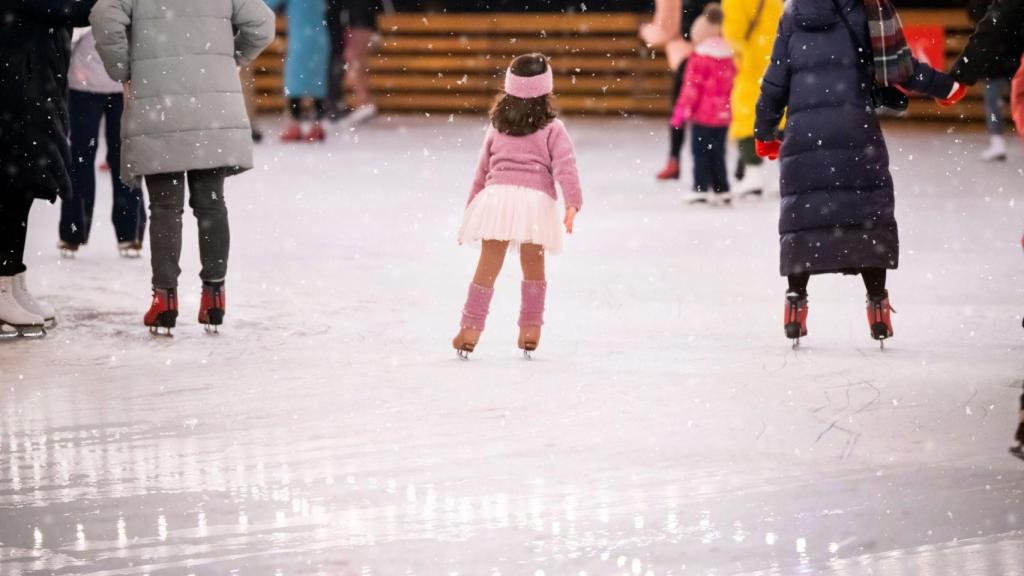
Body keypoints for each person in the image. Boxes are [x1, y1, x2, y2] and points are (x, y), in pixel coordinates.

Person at [753, 0, 965, 346]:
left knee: (803, 219)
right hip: (855, 129)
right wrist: (946, 87)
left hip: (804, 134)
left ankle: (795, 301)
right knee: (867, 216)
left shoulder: (792, 14)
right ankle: (878, 302)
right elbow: (902, 69)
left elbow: (776, 79)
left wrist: (764, 132)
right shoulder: (868, 10)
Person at [91, 0, 276, 335]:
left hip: (159, 102)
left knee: (164, 208)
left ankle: (164, 299)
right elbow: (262, 23)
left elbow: (104, 17)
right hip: (211, 107)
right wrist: (231, 58)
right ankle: (215, 295)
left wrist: (124, 68)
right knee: (211, 203)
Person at [452, 53, 582, 358]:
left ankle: (470, 328)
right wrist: (572, 201)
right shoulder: (553, 128)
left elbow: (482, 171)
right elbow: (566, 166)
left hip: (497, 199)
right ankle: (530, 328)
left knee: (488, 265)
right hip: (534, 203)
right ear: (546, 91)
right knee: (534, 266)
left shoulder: (497, 127)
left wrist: (470, 212)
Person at [0, 0, 97, 336]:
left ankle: (11, 281)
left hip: (32, 82)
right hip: (16, 88)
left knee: (23, 189)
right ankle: (2, 285)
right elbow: (66, 7)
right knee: (13, 188)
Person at [60, 27, 147, 259]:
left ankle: (129, 233)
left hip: (123, 85)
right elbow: (68, 30)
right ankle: (73, 232)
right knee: (82, 157)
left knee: (124, 157)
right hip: (84, 84)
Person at [642, 0, 716, 181]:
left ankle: (675, 161)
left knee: (680, 111)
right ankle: (724, 166)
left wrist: (645, 31)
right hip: (714, 57)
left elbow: (664, 31)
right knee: (713, 111)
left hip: (686, 58)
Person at [669, 5, 736, 204]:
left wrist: (680, 113)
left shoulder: (698, 59)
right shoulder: (729, 58)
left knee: (700, 152)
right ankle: (721, 188)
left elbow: (690, 90)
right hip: (723, 116)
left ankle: (700, 188)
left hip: (702, 116)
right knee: (718, 152)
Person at [722, 0, 783, 197]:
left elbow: (733, 31)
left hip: (750, 63)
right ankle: (786, 173)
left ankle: (752, 173)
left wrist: (735, 51)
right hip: (777, 60)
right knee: (781, 115)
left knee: (747, 118)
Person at [265, 0, 331, 142]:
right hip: (320, 37)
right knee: (317, 81)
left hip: (300, 38)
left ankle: (295, 125)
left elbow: (267, 4)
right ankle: (317, 125)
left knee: (294, 82)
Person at [966, 0, 1018, 161]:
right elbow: (975, 14)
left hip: (1011, 58)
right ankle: (997, 142)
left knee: (1012, 100)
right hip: (994, 62)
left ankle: (997, 142)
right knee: (992, 102)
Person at [340, 0, 382, 125]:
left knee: (355, 63)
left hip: (360, 24)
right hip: (361, 23)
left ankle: (364, 102)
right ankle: (364, 102)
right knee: (355, 63)